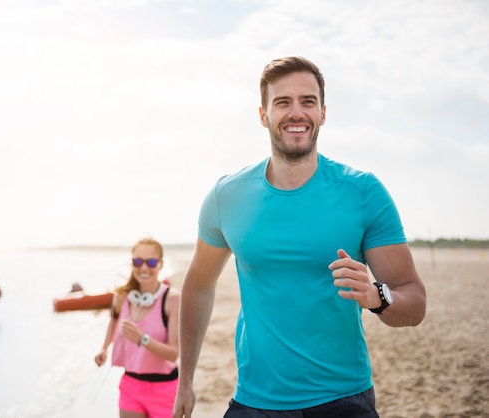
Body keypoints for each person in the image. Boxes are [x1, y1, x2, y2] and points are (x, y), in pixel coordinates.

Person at [172, 56, 427, 418]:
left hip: (342, 401)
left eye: (308, 101)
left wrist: (375, 296)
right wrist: (186, 380)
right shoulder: (226, 196)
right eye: (282, 102)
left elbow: (414, 303)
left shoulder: (363, 192)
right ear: (263, 115)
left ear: (323, 112)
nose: (296, 113)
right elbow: (198, 285)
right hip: (253, 402)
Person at [95, 237, 181, 418]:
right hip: (130, 385)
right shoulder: (122, 296)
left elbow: (174, 353)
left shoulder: (172, 300)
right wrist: (104, 348)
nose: (143, 268)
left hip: (164, 389)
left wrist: (142, 338)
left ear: (160, 264)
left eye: (150, 262)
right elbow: (114, 322)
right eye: (137, 261)